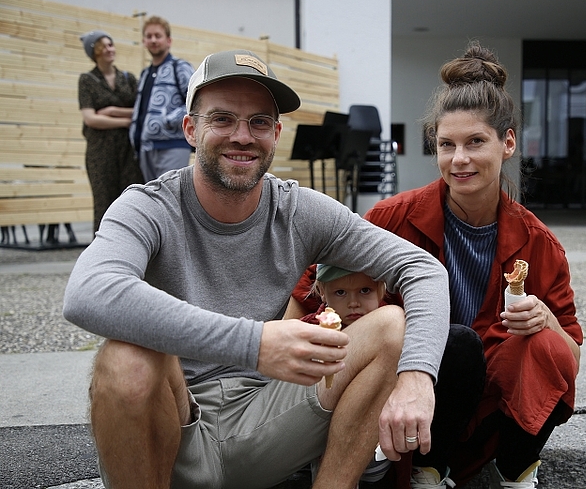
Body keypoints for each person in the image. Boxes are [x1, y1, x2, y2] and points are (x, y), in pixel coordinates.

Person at [63, 49, 450, 489]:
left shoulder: (298, 209)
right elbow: (88, 291)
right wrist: (255, 342)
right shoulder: (148, 206)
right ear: (191, 129)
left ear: (277, 133)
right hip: (174, 425)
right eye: (222, 119)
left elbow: (422, 268)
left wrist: (418, 377)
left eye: (259, 122)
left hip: (268, 422)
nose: (242, 136)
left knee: (388, 327)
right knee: (125, 357)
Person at [288, 42, 583, 489]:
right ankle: (429, 471)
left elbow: (571, 359)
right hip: (409, 408)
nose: (459, 159)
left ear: (508, 143)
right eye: (447, 145)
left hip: (492, 414)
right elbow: (313, 285)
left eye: (475, 142)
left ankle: (518, 470)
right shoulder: (391, 218)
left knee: (544, 344)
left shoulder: (539, 244)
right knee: (457, 344)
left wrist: (546, 320)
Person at [300, 264, 392, 484]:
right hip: (319, 432)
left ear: (381, 288)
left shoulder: (391, 330)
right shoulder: (309, 331)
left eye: (365, 291)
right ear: (322, 291)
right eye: (340, 292)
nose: (353, 302)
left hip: (375, 436)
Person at [78, 30, 144, 231]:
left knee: (130, 201)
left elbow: (142, 112)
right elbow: (90, 119)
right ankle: (101, 255)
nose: (109, 49)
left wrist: (112, 111)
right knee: (103, 204)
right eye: (103, 46)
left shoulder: (128, 78)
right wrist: (124, 122)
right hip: (100, 153)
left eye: (111, 45)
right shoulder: (87, 80)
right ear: (94, 52)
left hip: (128, 151)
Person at [130, 16, 195, 182]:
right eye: (149, 36)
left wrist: (167, 120)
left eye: (158, 36)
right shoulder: (145, 74)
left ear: (169, 40)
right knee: (153, 202)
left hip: (173, 145)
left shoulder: (180, 67)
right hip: (145, 149)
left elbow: (196, 102)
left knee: (172, 197)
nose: (153, 40)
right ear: (144, 41)